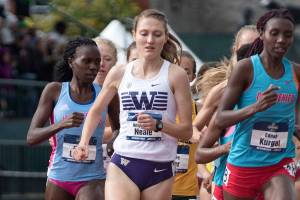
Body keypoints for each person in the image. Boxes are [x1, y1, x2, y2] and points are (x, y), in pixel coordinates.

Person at [73, 9, 193, 200]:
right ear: (134, 34)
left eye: (157, 34)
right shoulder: (119, 72)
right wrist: (83, 142)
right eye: (144, 33)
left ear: (165, 37)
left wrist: (159, 125)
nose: (150, 40)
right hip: (124, 162)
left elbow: (187, 131)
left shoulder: (176, 75)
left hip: (160, 167)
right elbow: (96, 111)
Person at [214, 9, 300, 200]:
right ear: (262, 33)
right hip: (243, 163)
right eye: (274, 33)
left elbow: (294, 115)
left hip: (279, 162)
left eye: (287, 35)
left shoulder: (295, 72)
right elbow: (220, 118)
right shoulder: (245, 69)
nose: (281, 40)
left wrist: (295, 128)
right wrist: (255, 107)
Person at [26, 37, 114, 200]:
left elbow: (119, 130)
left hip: (92, 178)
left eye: (97, 61)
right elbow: (31, 138)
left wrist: (112, 143)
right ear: (71, 61)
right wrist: (60, 124)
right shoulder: (54, 91)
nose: (94, 67)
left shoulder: (105, 93)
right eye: (86, 61)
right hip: (59, 177)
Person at [194, 43, 254, 200]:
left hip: (260, 184)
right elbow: (198, 150)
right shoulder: (222, 100)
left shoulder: (274, 102)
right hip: (225, 186)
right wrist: (223, 149)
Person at [171, 50, 199, 200]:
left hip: (186, 191)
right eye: (176, 69)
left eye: (186, 71)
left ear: (193, 77)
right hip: (158, 185)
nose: (180, 75)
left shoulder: (199, 109)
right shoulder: (158, 106)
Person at [93, 37, 120, 171]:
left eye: (107, 59)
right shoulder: (71, 91)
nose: (101, 63)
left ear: (115, 62)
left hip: (115, 161)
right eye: (97, 58)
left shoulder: (124, 92)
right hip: (79, 162)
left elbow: (126, 129)